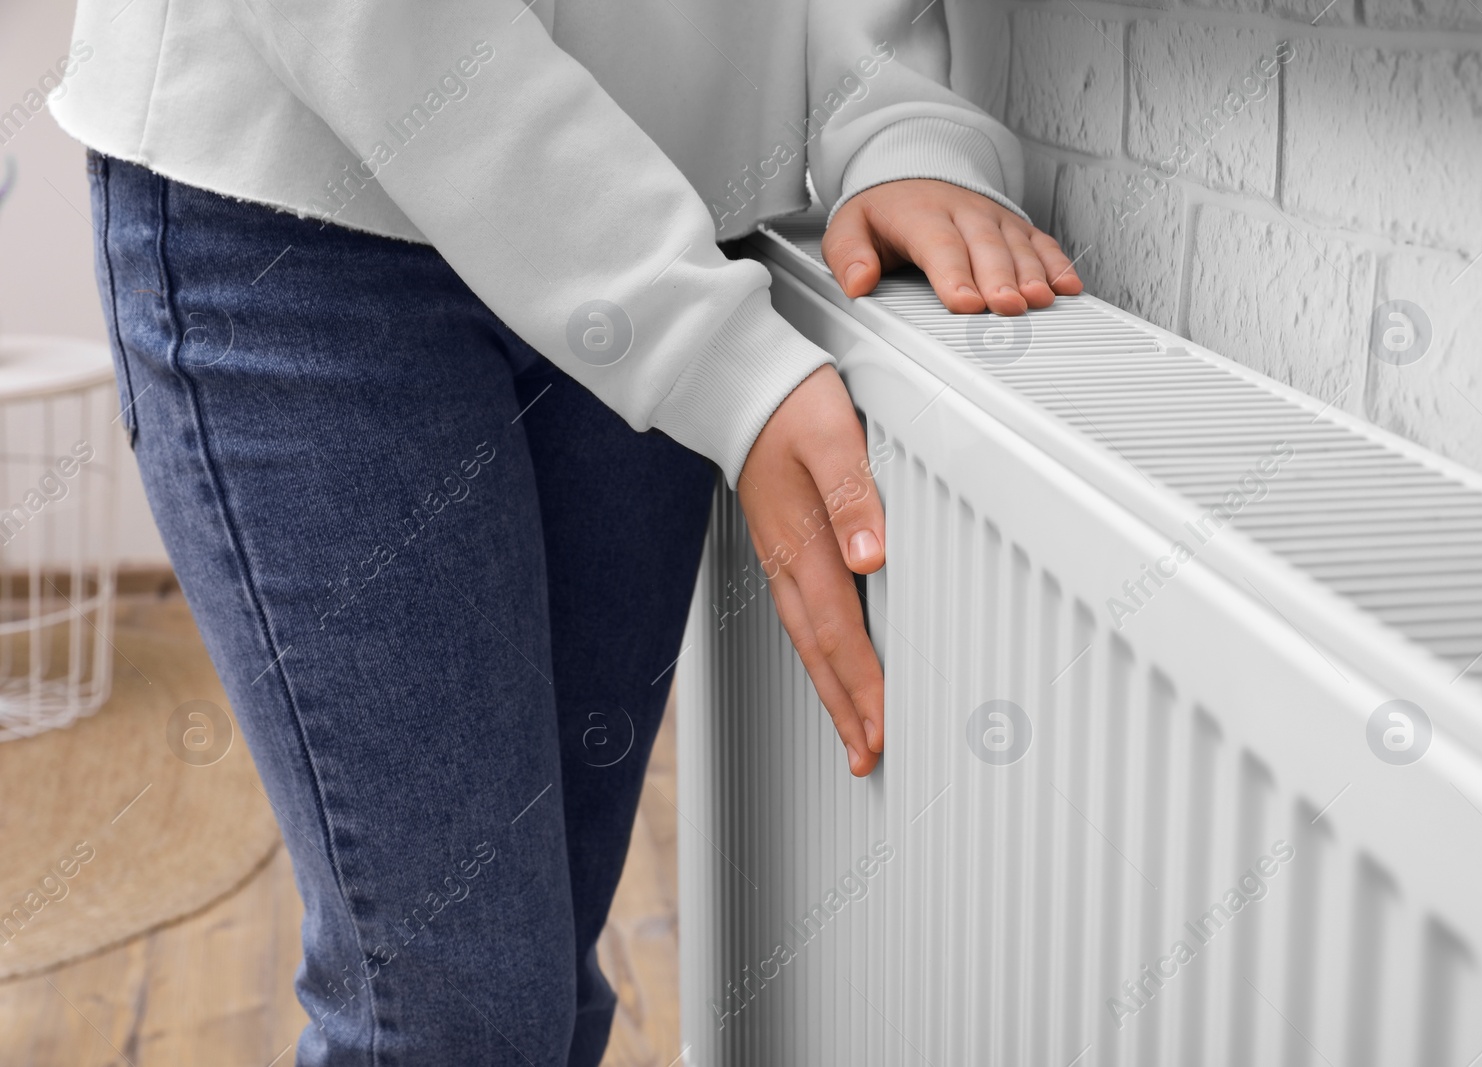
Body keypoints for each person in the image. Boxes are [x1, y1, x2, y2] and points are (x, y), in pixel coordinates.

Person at [51, 0, 1081, 1062]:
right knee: (458, 1019)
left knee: (539, 994)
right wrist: (708, 352)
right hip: (302, 196)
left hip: (667, 184)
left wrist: (895, 120)